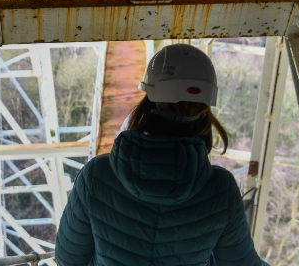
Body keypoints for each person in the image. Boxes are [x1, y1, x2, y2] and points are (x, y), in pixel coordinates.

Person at [55, 44, 269, 266]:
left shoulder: (96, 176)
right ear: (206, 109)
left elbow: (67, 259)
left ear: (147, 99)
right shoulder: (221, 189)